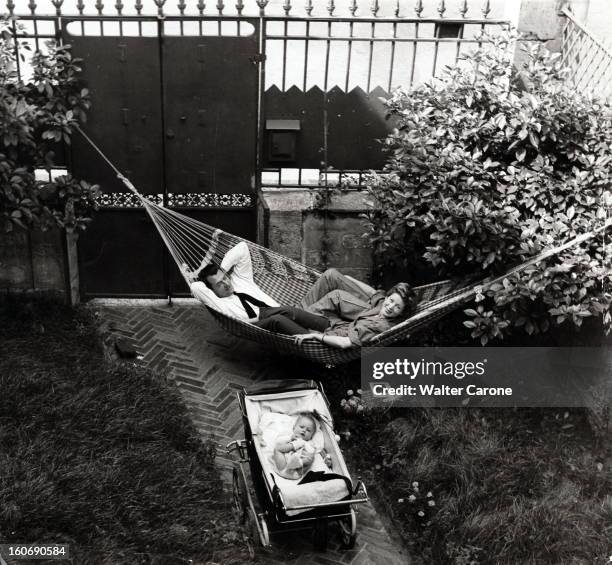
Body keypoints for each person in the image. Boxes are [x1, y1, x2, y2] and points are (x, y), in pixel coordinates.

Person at [184, 240, 416, 348]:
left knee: (329, 279)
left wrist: (223, 271)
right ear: (212, 290)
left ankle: (366, 307)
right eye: (220, 284)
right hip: (256, 324)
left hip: (300, 314)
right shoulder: (222, 305)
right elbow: (196, 288)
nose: (226, 284)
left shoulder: (239, 280)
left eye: (226, 278)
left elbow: (242, 249)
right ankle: (370, 304)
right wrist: (198, 277)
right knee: (277, 317)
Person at [273, 413, 319, 480]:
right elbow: (278, 442)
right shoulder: (289, 435)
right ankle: (294, 456)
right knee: (277, 449)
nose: (304, 430)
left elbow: (311, 452)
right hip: (283, 466)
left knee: (311, 458)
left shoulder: (309, 443)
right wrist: (290, 439)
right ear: (294, 427)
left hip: (296, 472)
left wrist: (308, 452)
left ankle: (297, 463)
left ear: (311, 436)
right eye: (301, 427)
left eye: (308, 430)